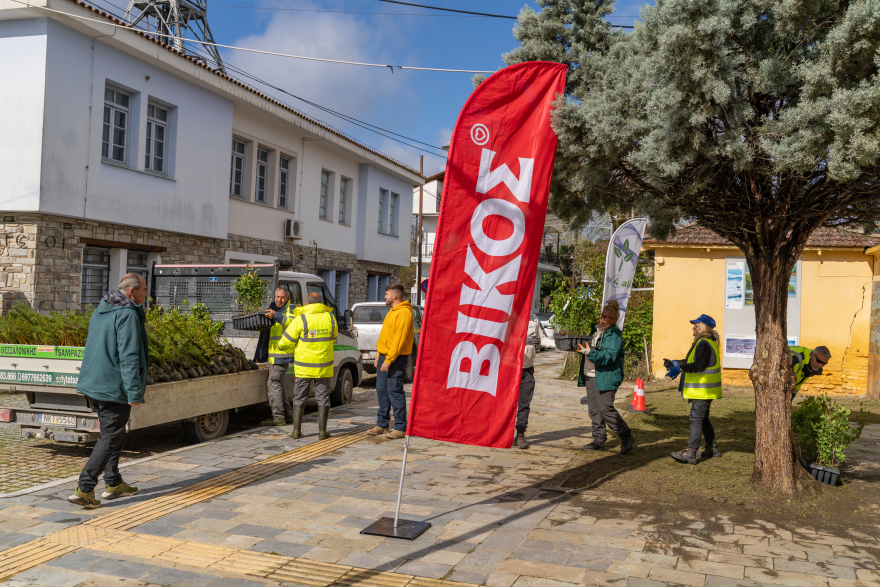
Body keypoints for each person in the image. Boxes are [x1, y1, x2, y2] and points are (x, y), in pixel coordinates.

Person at [68, 274, 149, 509]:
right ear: (132, 291)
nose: (147, 293)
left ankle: (113, 482)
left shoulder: (101, 310)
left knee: (114, 433)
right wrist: (134, 393)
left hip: (94, 384)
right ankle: (85, 488)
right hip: (114, 387)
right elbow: (129, 356)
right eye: (144, 289)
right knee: (110, 436)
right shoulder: (128, 314)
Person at [576, 301, 635, 454]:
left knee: (606, 409)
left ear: (614, 320)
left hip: (605, 376)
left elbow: (608, 357)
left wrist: (589, 352)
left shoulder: (614, 335)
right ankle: (599, 439)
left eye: (607, 318)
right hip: (590, 374)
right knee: (594, 409)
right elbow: (588, 349)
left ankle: (626, 436)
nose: (602, 319)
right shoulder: (595, 330)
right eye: (602, 316)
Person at [276, 291, 337, 440]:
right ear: (320, 302)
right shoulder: (330, 317)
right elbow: (333, 337)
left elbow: (287, 340)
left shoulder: (301, 318)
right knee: (323, 398)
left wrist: (280, 346)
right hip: (323, 366)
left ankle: (296, 431)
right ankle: (322, 432)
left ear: (307, 302)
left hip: (304, 368)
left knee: (300, 398)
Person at [664, 314, 722, 465]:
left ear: (704, 328)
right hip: (705, 390)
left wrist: (680, 367)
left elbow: (699, 366)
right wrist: (675, 363)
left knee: (696, 419)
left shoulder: (703, 343)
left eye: (696, 325)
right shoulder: (706, 342)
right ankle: (712, 448)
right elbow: (693, 362)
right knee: (703, 419)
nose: (693, 328)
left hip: (702, 390)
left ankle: (691, 452)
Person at [367, 284, 414, 440]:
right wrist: (379, 355)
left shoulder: (404, 313)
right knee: (382, 391)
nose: (385, 297)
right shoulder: (391, 312)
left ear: (395, 296)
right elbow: (385, 337)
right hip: (384, 356)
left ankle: (400, 427)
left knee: (394, 390)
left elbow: (398, 341)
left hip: (395, 358)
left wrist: (388, 360)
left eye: (387, 294)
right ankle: (382, 424)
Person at [261, 287, 295, 426]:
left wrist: (276, 315)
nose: (279, 300)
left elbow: (292, 324)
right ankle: (289, 415)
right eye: (277, 297)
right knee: (278, 384)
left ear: (287, 298)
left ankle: (278, 417)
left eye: (282, 298)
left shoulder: (291, 309)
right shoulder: (272, 307)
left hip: (283, 355)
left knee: (273, 383)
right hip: (272, 355)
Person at [514, 341, 537, 449]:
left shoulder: (535, 323)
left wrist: (556, 343)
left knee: (524, 403)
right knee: (506, 404)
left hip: (527, 371)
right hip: (510, 369)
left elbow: (542, 339)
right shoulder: (508, 323)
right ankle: (502, 434)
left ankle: (520, 434)